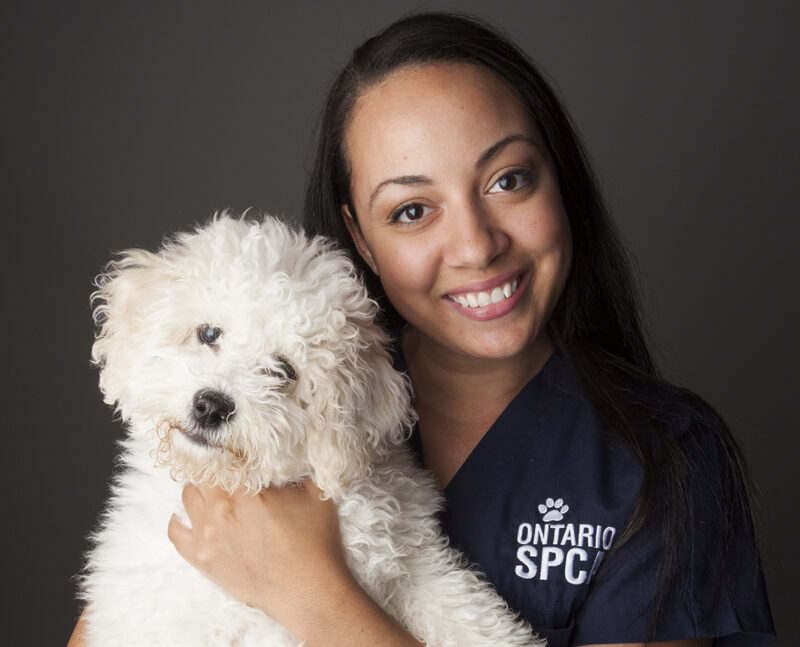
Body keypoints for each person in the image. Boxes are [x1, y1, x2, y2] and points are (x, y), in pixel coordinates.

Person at [69, 11, 775, 647]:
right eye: (411, 209)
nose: (475, 245)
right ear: (362, 238)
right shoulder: (291, 402)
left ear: (559, 178)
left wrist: (314, 594)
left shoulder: (661, 459)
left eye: (508, 180)